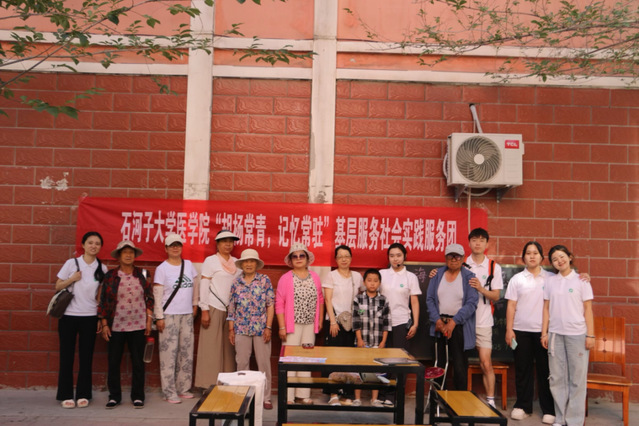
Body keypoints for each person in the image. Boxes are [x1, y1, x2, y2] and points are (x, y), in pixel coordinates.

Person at [541, 245, 594, 426]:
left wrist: (591, 335)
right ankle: (560, 418)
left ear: (570, 257)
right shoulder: (550, 281)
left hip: (577, 335)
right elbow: (546, 309)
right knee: (557, 378)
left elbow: (588, 309)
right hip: (555, 334)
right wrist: (544, 333)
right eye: (555, 259)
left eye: (562, 256)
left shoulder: (582, 281)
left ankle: (574, 421)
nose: (559, 261)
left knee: (577, 379)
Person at [98, 240, 153, 409]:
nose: (128, 255)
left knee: (138, 362)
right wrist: (104, 324)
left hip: (138, 324)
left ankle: (138, 396)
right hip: (116, 325)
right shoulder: (110, 276)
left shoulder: (142, 274)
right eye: (125, 252)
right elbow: (104, 301)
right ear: (119, 256)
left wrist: (149, 320)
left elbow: (149, 298)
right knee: (114, 361)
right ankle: (114, 396)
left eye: (131, 252)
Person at [55, 231, 107, 409]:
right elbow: (57, 285)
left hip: (89, 317)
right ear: (83, 245)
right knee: (66, 356)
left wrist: (100, 317)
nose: (94, 246)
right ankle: (66, 395)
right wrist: (72, 279)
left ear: (100, 247)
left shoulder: (102, 268)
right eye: (90, 242)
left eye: (97, 243)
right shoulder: (72, 263)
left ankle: (84, 394)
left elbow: (101, 296)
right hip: (68, 316)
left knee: (86, 357)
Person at [504, 241, 555, 423]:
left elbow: (569, 281)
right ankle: (523, 406)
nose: (532, 256)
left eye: (535, 253)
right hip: (521, 331)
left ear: (542, 257)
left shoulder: (551, 278)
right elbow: (511, 305)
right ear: (523, 257)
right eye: (528, 253)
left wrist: (584, 277)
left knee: (545, 371)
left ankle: (548, 409)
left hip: (544, 332)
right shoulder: (517, 279)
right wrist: (509, 329)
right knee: (522, 370)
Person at [153, 233, 200, 404]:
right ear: (166, 248)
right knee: (169, 355)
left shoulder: (188, 265)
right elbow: (157, 294)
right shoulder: (162, 269)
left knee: (186, 353)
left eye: (178, 245)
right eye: (171, 245)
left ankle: (183, 388)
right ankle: (169, 391)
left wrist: (195, 305)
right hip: (169, 315)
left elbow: (195, 286)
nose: (175, 248)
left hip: (186, 314)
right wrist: (159, 316)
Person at [275, 242, 324, 405]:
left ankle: (303, 395)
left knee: (306, 359)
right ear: (290, 260)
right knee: (290, 359)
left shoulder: (315, 277)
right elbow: (279, 303)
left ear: (307, 258)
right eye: (294, 256)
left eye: (301, 255)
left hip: (309, 324)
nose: (298, 258)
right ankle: (288, 396)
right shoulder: (285, 278)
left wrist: (320, 320)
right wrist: (282, 326)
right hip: (292, 325)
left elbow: (320, 299)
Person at [227, 248, 275, 410]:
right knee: (242, 363)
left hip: (261, 328)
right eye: (246, 261)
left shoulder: (264, 280)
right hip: (241, 328)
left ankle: (265, 397)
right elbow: (231, 308)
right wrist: (231, 330)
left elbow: (270, 305)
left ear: (256, 264)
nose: (248, 264)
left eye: (252, 261)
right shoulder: (236, 282)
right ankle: (243, 396)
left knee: (263, 364)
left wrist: (268, 326)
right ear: (242, 264)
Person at [426, 243, 478, 391]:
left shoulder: (469, 277)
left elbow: (472, 303)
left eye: (457, 256)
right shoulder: (437, 275)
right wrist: (437, 320)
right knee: (438, 364)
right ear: (445, 258)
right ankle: (437, 399)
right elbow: (430, 299)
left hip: (459, 327)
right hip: (439, 326)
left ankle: (458, 401)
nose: (454, 259)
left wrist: (454, 322)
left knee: (460, 366)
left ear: (463, 258)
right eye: (451, 256)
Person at [195, 229, 241, 389]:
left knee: (229, 349)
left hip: (232, 312)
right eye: (224, 241)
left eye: (230, 241)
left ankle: (226, 384)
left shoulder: (237, 262)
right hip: (213, 307)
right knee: (211, 348)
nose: (228, 244)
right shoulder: (211, 261)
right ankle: (208, 385)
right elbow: (204, 285)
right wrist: (204, 309)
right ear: (217, 244)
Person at [465, 227, 503, 408]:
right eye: (474, 240)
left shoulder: (494, 267)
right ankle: (460, 399)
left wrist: (480, 288)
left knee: (486, 363)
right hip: (463, 322)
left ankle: (490, 401)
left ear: (487, 244)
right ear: (469, 243)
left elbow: (496, 296)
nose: (478, 243)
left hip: (483, 321)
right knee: (459, 363)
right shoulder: (461, 264)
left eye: (481, 240)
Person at [322, 244, 363, 406]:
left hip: (351, 324)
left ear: (351, 258)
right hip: (335, 323)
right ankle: (333, 394)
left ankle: (346, 394)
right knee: (333, 358)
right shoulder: (331, 276)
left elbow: (362, 298)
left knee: (349, 359)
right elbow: (327, 299)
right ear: (336, 259)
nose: (344, 259)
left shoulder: (357, 277)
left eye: (346, 256)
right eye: (340, 256)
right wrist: (333, 321)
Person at [352, 268, 391, 408]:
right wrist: (359, 339)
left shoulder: (383, 300)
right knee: (359, 370)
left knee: (377, 371)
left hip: (378, 342)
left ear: (379, 283)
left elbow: (387, 323)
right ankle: (357, 398)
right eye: (369, 280)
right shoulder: (358, 299)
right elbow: (356, 321)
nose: (372, 283)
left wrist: (383, 342)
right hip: (362, 342)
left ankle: (374, 399)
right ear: (364, 282)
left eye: (375, 281)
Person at [379, 243, 420, 350]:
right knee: (382, 356)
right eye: (392, 256)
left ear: (405, 256)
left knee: (400, 355)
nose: (395, 259)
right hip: (381, 321)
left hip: (401, 321)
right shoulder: (382, 274)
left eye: (398, 255)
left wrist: (415, 324)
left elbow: (414, 302)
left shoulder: (411, 277)